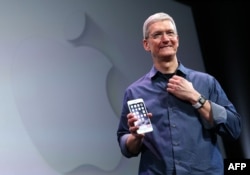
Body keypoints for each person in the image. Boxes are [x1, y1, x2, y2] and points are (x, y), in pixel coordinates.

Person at [116, 12, 241, 175]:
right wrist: (136, 137)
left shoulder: (206, 82)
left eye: (170, 33)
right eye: (157, 35)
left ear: (177, 40)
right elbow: (126, 146)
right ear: (146, 44)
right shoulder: (135, 91)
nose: (165, 39)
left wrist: (196, 98)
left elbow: (234, 129)